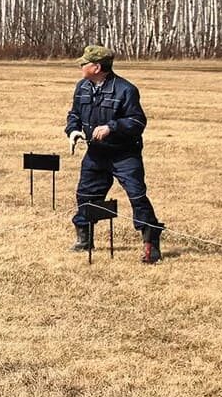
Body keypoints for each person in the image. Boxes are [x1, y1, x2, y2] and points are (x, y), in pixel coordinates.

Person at [65, 45, 164, 263]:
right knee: (86, 195)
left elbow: (137, 121)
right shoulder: (82, 87)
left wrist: (112, 127)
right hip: (96, 153)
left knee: (137, 196)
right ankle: (84, 238)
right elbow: (74, 114)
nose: (81, 66)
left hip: (124, 154)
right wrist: (73, 130)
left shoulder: (126, 90)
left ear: (97, 67)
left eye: (85, 63)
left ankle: (151, 244)